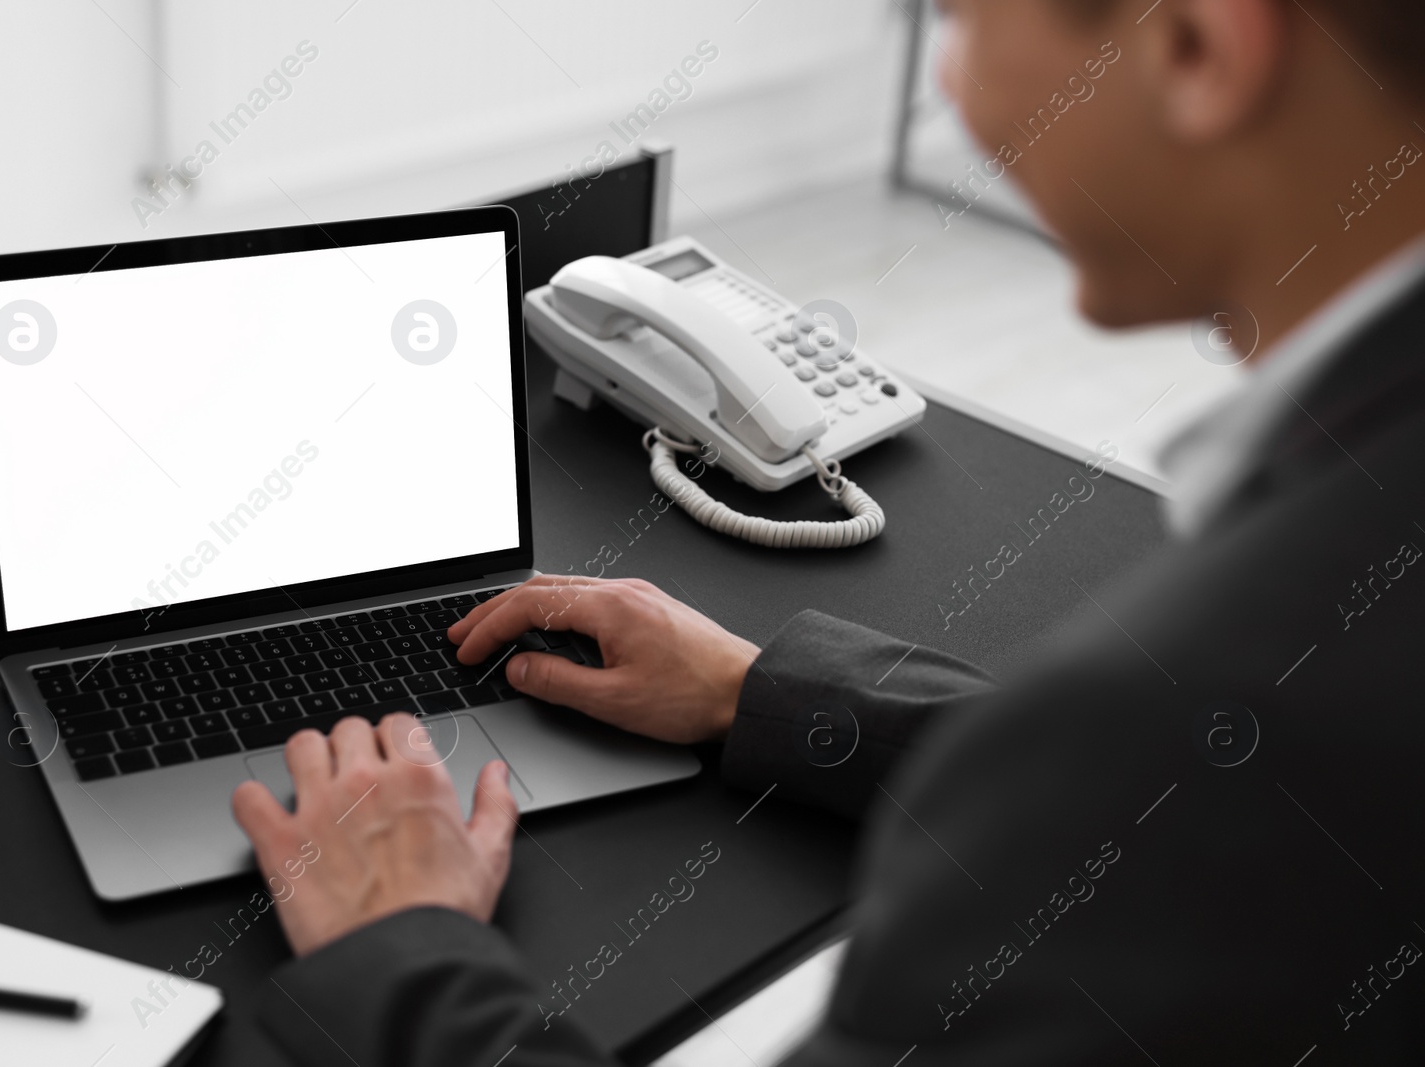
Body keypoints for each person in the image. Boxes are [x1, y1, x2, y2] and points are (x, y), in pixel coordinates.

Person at [233, 0, 1425, 1062]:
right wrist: (771, 692)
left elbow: (1174, 791)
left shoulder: (1183, 705)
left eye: (957, 13)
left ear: (1197, 47)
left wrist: (400, 952)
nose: (948, 78)